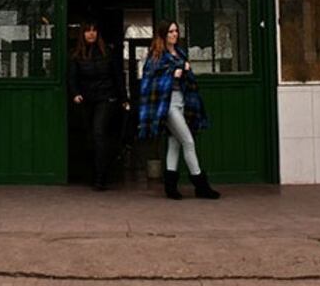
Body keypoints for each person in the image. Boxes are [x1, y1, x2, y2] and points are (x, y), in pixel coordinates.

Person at [137, 20, 220, 200]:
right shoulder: (156, 56)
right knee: (188, 142)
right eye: (170, 32)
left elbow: (187, 77)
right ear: (163, 35)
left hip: (183, 101)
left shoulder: (181, 53)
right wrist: (172, 72)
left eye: (176, 31)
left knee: (174, 143)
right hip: (167, 105)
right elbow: (149, 81)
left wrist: (184, 69)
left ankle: (170, 187)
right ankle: (201, 185)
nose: (174, 34)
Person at [68, 20, 128, 191]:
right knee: (90, 137)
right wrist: (75, 93)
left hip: (105, 98)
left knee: (98, 132)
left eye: (94, 30)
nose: (91, 33)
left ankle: (101, 177)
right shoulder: (76, 55)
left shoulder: (107, 52)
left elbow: (118, 76)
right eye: (88, 30)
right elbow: (72, 77)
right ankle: (93, 172)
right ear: (83, 33)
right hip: (86, 99)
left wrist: (123, 98)